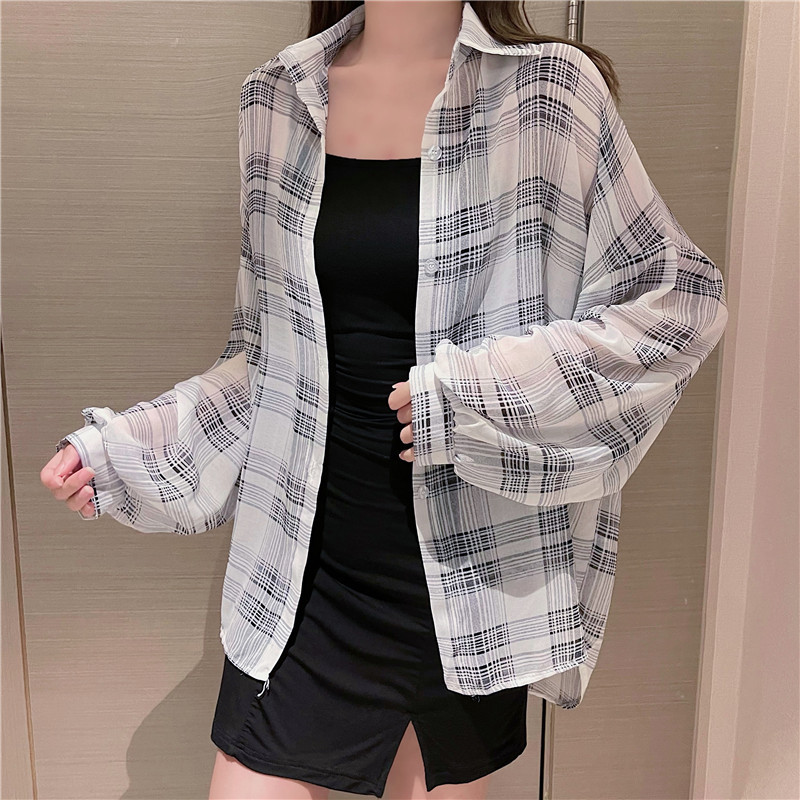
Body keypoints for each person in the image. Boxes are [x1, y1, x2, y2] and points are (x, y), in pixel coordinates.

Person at [41, 2, 729, 799]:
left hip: (466, 580)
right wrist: (128, 452)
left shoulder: (548, 93)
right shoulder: (276, 99)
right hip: (303, 570)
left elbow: (676, 306)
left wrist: (465, 398)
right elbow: (264, 363)